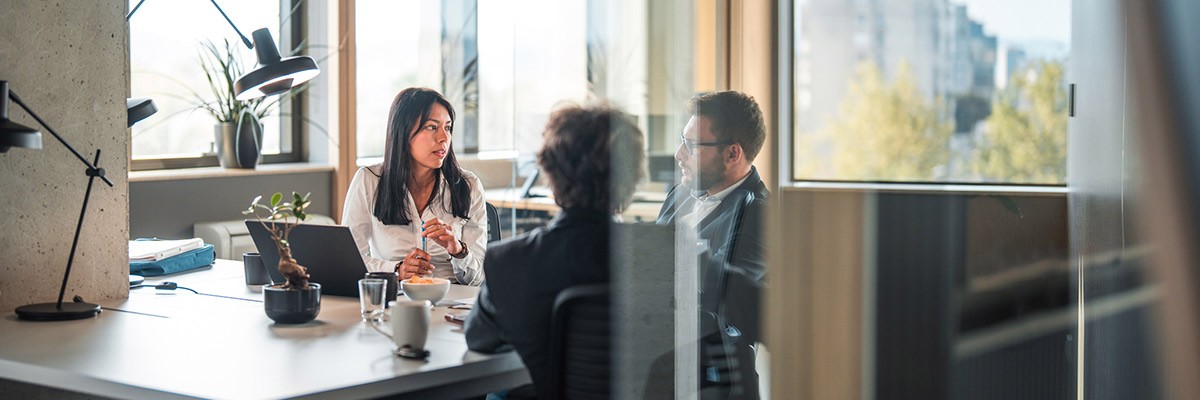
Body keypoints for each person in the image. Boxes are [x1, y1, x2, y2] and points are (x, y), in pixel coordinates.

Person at [465, 104, 645, 399]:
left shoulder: (510, 262)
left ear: (549, 171)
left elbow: (479, 338)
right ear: (633, 175)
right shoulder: (674, 251)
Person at [657, 91, 769, 399]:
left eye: (691, 145)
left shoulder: (760, 213)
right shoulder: (678, 195)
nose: (679, 153)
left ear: (733, 154)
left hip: (705, 375)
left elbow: (723, 294)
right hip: (654, 356)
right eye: (683, 140)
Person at [342, 87, 487, 286]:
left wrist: (458, 250)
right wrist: (396, 270)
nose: (444, 138)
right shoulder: (369, 181)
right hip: (395, 302)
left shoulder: (468, 186)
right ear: (404, 132)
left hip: (454, 305)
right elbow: (349, 263)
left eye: (448, 127)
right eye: (432, 127)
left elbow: (478, 278)